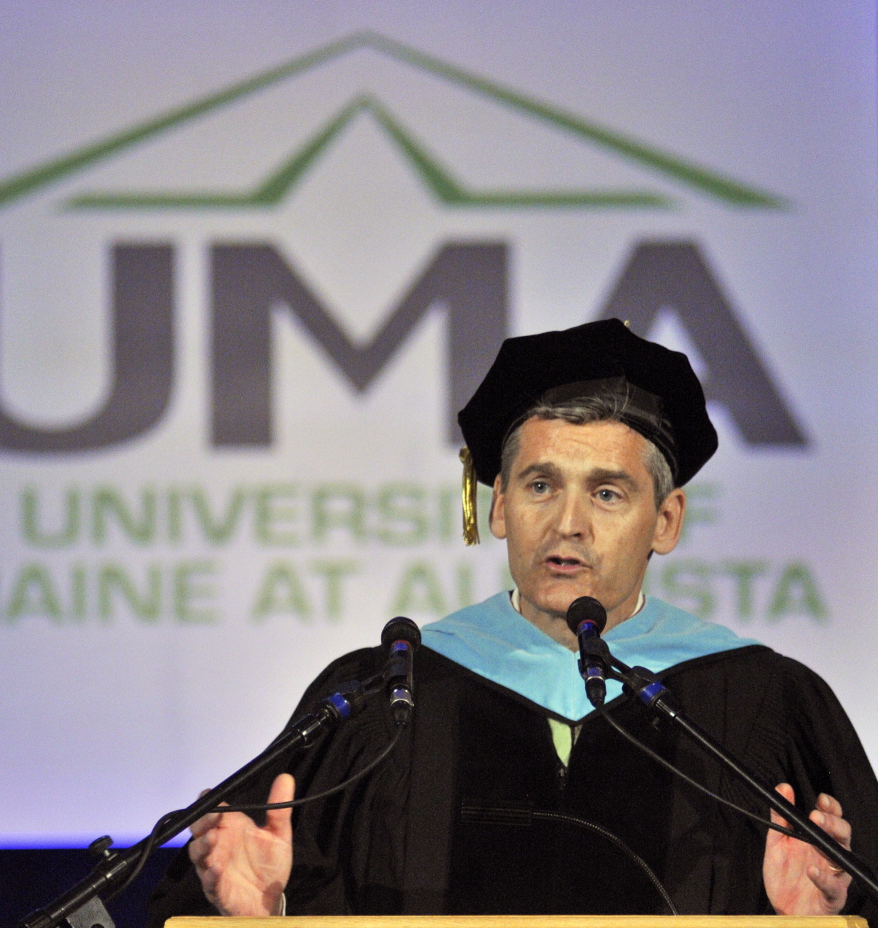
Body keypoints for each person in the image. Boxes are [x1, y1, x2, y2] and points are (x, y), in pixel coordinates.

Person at [147, 319, 877, 925]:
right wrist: (259, 916)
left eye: (609, 494)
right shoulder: (385, 696)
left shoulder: (762, 704)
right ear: (498, 508)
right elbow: (231, 896)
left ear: (666, 519)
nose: (568, 524)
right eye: (538, 485)